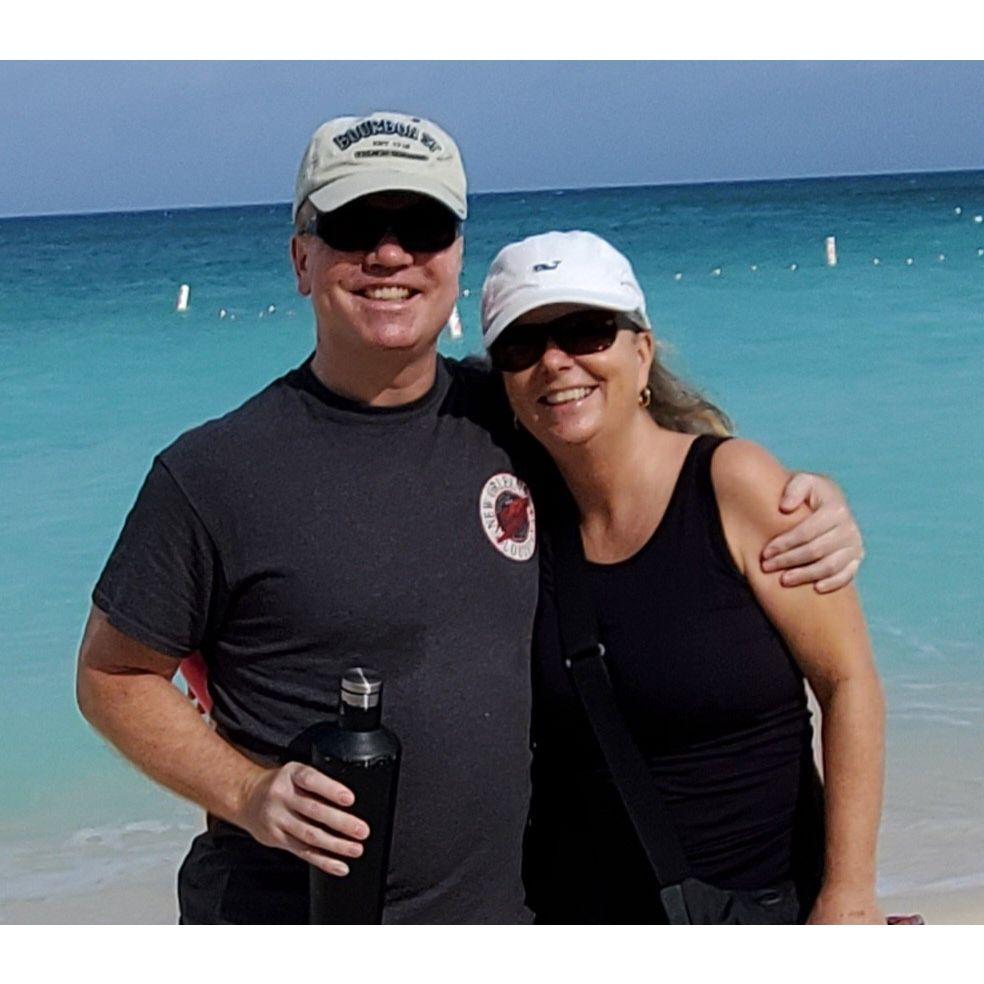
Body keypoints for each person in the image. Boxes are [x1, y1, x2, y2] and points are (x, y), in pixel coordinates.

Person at [75, 111, 865, 924]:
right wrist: (246, 793)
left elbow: (648, 471)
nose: (390, 254)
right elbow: (111, 676)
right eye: (352, 226)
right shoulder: (214, 472)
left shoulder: (515, 414)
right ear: (301, 259)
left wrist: (804, 500)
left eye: (421, 226)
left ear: (454, 257)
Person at [480, 230, 886, 924]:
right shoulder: (514, 518)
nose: (555, 361)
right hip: (576, 916)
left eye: (585, 331)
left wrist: (846, 896)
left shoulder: (734, 485)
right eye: (523, 345)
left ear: (641, 353)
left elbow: (848, 683)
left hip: (761, 909)